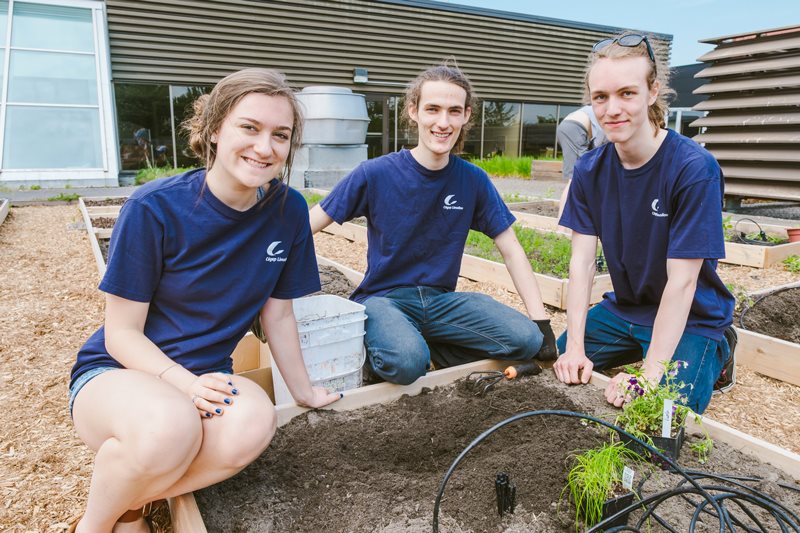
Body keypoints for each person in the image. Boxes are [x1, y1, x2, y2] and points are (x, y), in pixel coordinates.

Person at [68, 68, 341, 533]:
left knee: (255, 421)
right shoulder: (155, 207)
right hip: (117, 376)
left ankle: (132, 500)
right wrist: (181, 383)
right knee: (171, 424)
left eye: (280, 135)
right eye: (249, 127)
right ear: (215, 128)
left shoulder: (287, 210)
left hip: (207, 381)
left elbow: (278, 313)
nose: (264, 147)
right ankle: (97, 525)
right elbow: (121, 334)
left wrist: (304, 391)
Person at [308, 61, 557, 386]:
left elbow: (511, 249)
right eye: (433, 109)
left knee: (526, 340)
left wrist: (541, 322)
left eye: (454, 111)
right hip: (384, 299)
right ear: (414, 111)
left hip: (442, 303)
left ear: (467, 115)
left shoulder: (472, 180)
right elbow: (306, 226)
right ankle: (388, 348)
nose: (443, 122)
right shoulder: (375, 174)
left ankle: (431, 347)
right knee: (408, 363)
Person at [553, 33, 737, 415]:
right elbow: (582, 263)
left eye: (627, 93)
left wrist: (649, 375)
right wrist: (574, 350)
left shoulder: (692, 169)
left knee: (661, 407)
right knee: (558, 358)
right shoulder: (590, 170)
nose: (612, 109)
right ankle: (634, 347)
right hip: (626, 310)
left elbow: (684, 282)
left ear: (652, 92)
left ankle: (720, 349)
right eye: (600, 97)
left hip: (692, 317)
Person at [555, 105, 608, 218]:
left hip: (567, 127)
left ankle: (566, 220)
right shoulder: (607, 116)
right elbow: (599, 143)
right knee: (575, 178)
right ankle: (563, 223)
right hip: (575, 129)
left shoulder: (598, 108)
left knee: (577, 177)